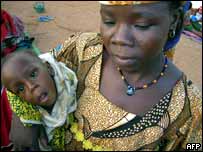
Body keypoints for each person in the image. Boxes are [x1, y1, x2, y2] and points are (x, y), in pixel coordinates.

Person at [6, 1, 202, 151]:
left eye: (141, 25)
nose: (119, 38)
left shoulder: (190, 109)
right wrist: (25, 119)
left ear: (174, 20)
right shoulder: (81, 49)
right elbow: (26, 72)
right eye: (109, 21)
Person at [1, 50, 78, 150]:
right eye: (21, 89)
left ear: (48, 68)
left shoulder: (69, 83)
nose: (31, 87)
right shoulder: (29, 112)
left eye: (33, 74)